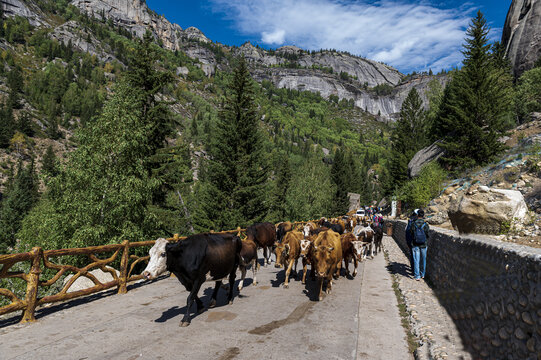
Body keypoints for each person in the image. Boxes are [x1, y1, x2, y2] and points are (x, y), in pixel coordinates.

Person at [409, 209, 429, 280]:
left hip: (415, 244)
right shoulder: (425, 224)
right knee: (423, 259)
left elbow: (411, 233)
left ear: (417, 215)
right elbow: (427, 234)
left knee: (416, 260)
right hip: (424, 244)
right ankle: (422, 274)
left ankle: (417, 276)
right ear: (423, 216)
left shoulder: (413, 224)